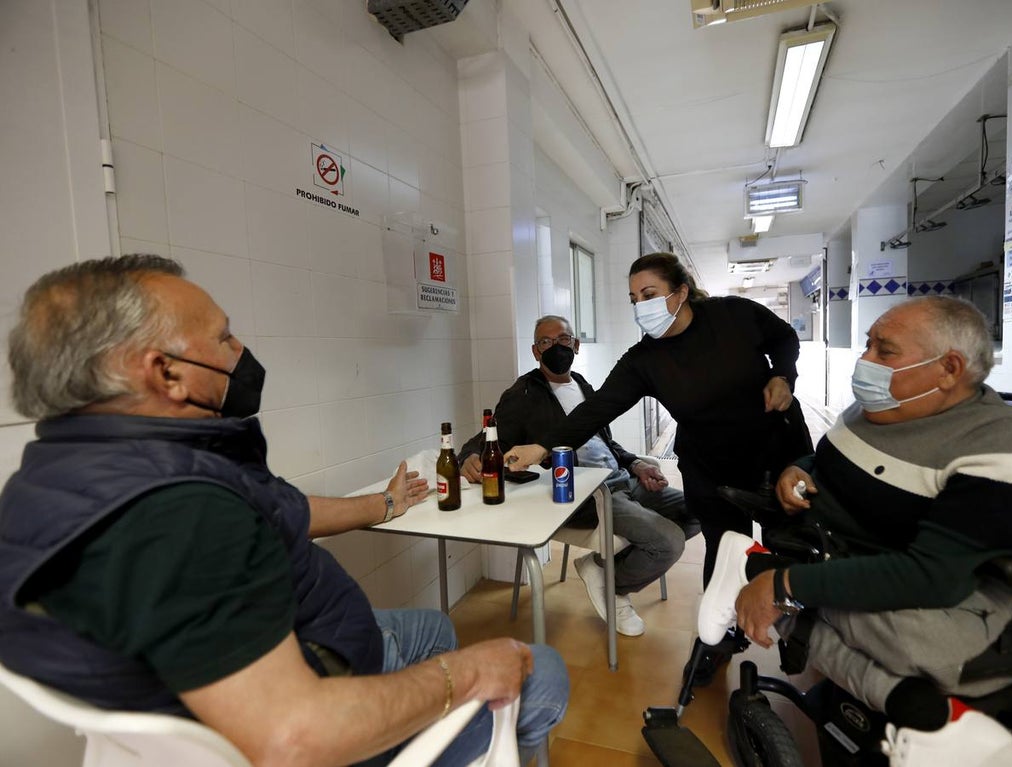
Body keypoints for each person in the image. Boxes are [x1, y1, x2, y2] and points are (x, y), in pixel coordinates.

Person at [0, 255, 569, 767]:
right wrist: (465, 674)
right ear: (164, 372)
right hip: (311, 707)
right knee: (538, 671)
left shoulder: (66, 471)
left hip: (294, 648)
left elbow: (275, 511)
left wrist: (385, 503)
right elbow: (294, 737)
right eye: (223, 337)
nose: (240, 350)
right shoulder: (176, 513)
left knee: (433, 626)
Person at [696, 296, 1012, 767]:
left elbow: (934, 579)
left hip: (980, 595)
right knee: (869, 621)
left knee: (926, 646)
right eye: (868, 346)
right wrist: (800, 470)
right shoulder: (871, 416)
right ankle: (924, 715)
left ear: (948, 368)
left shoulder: (1008, 449)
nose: (864, 360)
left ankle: (757, 573)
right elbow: (827, 464)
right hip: (858, 553)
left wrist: (786, 585)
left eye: (884, 352)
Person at [503, 254, 803, 585]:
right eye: (635, 299)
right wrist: (543, 446)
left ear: (681, 292)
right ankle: (721, 634)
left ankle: (799, 627)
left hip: (779, 453)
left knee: (792, 548)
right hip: (712, 468)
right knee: (726, 555)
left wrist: (782, 376)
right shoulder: (644, 360)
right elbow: (598, 408)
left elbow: (784, 337)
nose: (641, 306)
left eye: (649, 295)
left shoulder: (733, 314)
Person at [459, 315, 698, 637]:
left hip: (621, 480)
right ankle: (615, 587)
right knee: (667, 542)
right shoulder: (523, 394)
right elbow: (489, 437)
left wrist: (636, 465)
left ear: (576, 344)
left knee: (700, 511)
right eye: (546, 342)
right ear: (535, 351)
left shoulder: (583, 385)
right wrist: (468, 456)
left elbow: (606, 442)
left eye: (563, 339)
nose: (556, 347)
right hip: (584, 495)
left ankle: (600, 568)